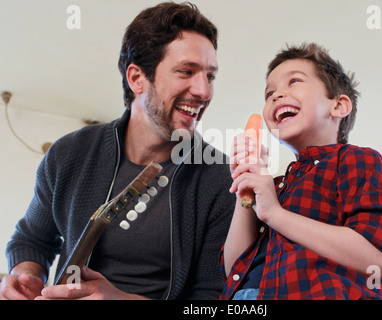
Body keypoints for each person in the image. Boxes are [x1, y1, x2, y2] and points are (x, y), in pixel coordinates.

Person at [1, 2, 234, 300]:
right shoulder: (69, 154)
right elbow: (31, 238)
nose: (203, 91)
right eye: (186, 71)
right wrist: (25, 276)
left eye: (210, 76)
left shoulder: (221, 180)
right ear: (137, 78)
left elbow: (210, 301)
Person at [221, 42, 382, 300]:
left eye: (294, 81)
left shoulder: (358, 160)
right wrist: (246, 186)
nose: (276, 95)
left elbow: (375, 261)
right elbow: (235, 270)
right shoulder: (272, 187)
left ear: (338, 106)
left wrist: (275, 214)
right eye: (269, 93)